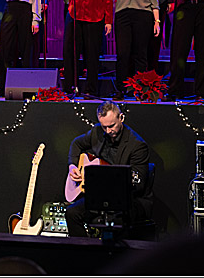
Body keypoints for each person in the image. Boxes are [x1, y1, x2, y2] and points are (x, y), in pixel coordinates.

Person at [64, 101, 151, 237]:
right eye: (104, 127)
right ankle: (85, 254)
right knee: (72, 213)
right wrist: (73, 165)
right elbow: (76, 143)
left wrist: (116, 183)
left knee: (115, 219)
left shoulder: (137, 145)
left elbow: (138, 185)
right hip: (99, 195)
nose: (108, 131)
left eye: (112, 126)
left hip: (126, 198)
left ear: (121, 118)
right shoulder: (96, 132)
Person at [52, 0, 113, 98]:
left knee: (92, 55)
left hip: (95, 18)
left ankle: (91, 90)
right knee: (71, 52)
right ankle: (70, 87)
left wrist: (108, 21)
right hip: (75, 16)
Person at [106, 0, 160, 98]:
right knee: (123, 53)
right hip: (123, 15)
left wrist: (157, 21)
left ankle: (140, 89)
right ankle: (121, 89)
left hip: (143, 16)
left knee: (140, 53)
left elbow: (154, 2)